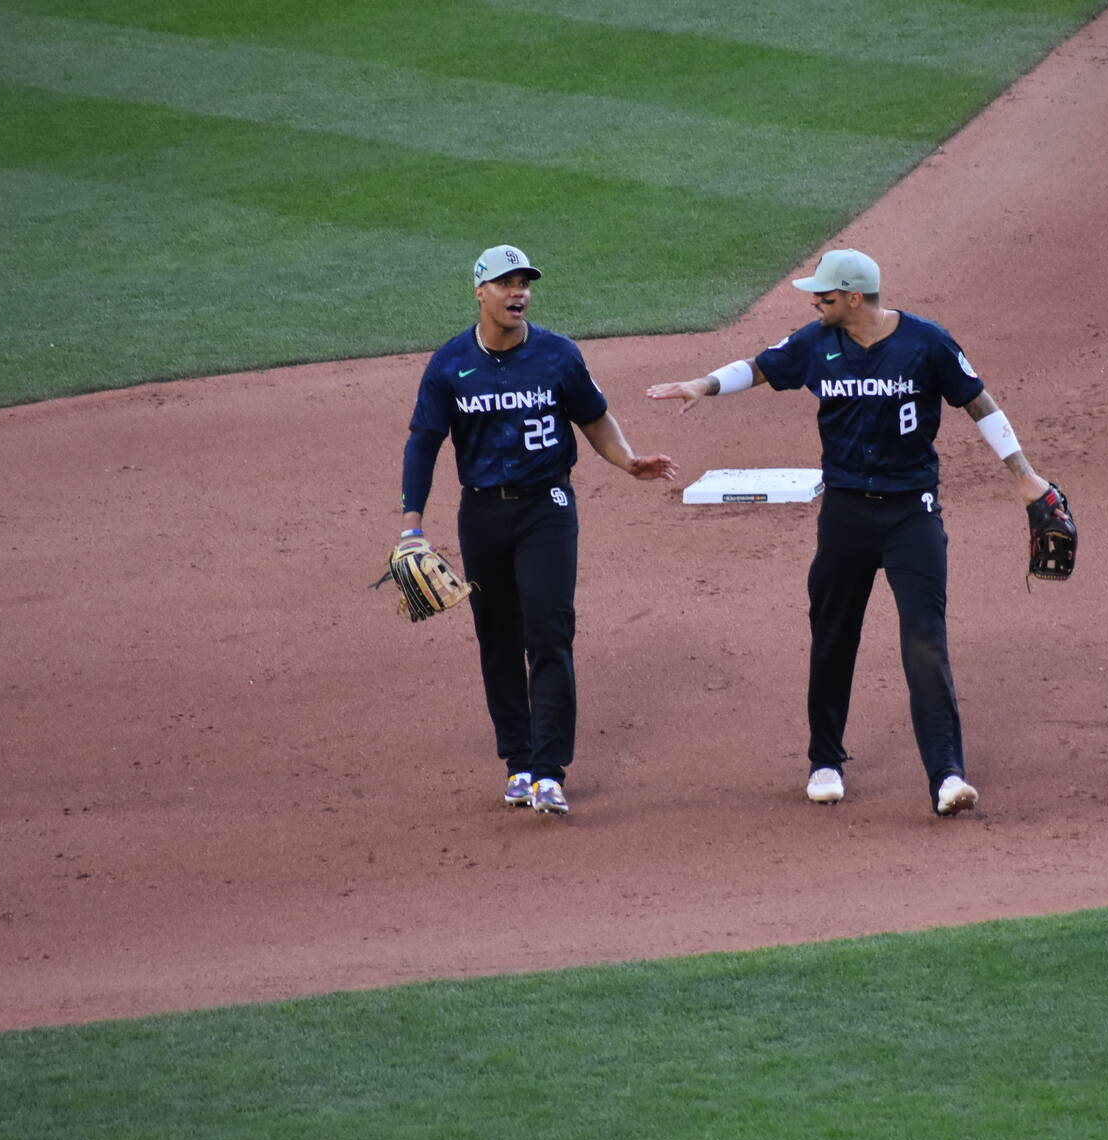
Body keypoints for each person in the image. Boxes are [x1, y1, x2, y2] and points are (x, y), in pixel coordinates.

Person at [646, 248, 1059, 818]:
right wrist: (703, 383)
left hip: (912, 514)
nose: (815, 302)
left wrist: (1024, 476)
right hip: (844, 514)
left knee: (925, 641)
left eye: (825, 295)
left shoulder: (927, 343)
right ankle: (825, 761)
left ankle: (946, 775)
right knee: (833, 636)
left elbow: (978, 403)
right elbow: (760, 367)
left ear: (854, 298)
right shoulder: (816, 342)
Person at [399, 246, 677, 816]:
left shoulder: (558, 355)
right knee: (497, 638)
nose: (518, 293)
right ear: (480, 292)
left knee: (548, 631)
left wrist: (628, 461)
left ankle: (550, 772)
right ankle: (519, 762)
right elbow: (423, 443)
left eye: (524, 283)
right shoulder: (450, 364)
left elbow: (593, 418)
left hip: (547, 507)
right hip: (482, 514)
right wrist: (412, 528)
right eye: (506, 283)